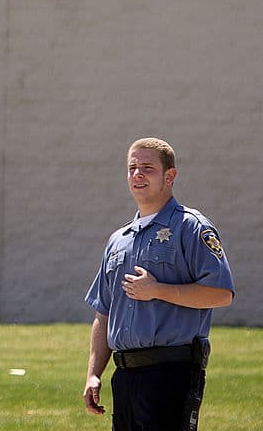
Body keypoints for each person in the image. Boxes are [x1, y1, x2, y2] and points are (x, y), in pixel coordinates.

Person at [83, 137, 235, 430]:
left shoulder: (191, 227)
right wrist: (93, 373)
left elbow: (221, 293)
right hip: (124, 376)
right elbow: (104, 312)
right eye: (132, 168)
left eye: (148, 168)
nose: (137, 174)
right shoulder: (119, 240)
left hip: (171, 374)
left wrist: (158, 290)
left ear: (170, 176)